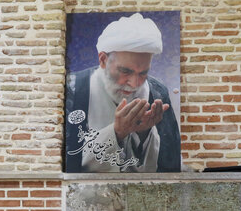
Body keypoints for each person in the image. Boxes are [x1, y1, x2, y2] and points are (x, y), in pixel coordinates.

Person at [65, 13, 181, 173]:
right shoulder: (72, 89)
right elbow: (65, 164)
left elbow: (171, 165)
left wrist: (144, 134)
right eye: (125, 71)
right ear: (103, 60)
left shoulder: (157, 92)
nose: (134, 83)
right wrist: (117, 133)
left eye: (143, 73)